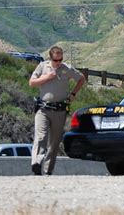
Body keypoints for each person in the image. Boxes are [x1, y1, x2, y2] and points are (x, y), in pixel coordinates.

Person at [29, 46, 85, 175]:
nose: (58, 62)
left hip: (59, 110)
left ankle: (48, 170)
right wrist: (47, 77)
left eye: (60, 59)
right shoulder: (42, 67)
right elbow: (32, 82)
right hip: (43, 109)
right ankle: (36, 162)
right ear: (50, 58)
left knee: (54, 142)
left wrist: (73, 95)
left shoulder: (67, 69)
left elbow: (81, 79)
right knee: (41, 136)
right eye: (56, 60)